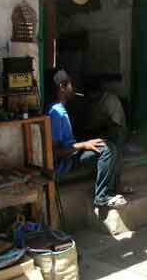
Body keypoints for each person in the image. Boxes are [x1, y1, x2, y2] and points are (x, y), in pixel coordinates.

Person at [48, 69, 128, 208]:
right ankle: (102, 196)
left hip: (71, 154)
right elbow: (54, 153)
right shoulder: (56, 113)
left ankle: (114, 184)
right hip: (65, 163)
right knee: (107, 150)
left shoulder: (61, 109)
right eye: (70, 85)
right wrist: (84, 145)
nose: (73, 88)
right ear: (62, 87)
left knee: (112, 140)